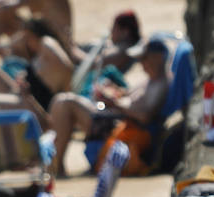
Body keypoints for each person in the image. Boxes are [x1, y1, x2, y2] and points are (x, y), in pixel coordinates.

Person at [47, 37, 169, 177]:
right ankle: (56, 164)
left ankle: (57, 166)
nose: (141, 63)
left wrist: (114, 103)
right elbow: (131, 98)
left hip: (119, 125)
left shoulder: (160, 85)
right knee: (62, 101)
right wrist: (114, 92)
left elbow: (145, 117)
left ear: (158, 58)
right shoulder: (152, 79)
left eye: (144, 58)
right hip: (116, 119)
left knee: (65, 103)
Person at [0, 18, 74, 124]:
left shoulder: (46, 43)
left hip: (31, 105)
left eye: (27, 38)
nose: (26, 43)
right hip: (25, 97)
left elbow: (67, 66)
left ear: (33, 35)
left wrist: (67, 90)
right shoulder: (40, 57)